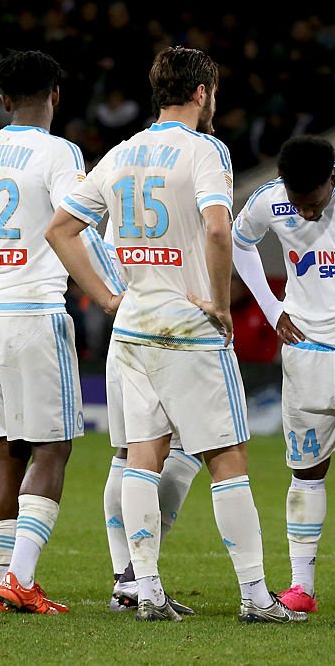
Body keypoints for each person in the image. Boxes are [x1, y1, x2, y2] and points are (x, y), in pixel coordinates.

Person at [46, 46, 304, 623]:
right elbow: (218, 229)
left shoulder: (123, 151)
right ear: (202, 92)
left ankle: (148, 590)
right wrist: (218, 303)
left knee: (142, 455)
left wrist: (107, 298)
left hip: (134, 325)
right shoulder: (205, 149)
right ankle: (256, 597)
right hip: (189, 328)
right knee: (228, 458)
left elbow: (60, 229)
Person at [231, 135, 335, 613]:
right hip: (305, 353)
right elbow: (240, 244)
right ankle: (301, 586)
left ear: (332, 178)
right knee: (305, 473)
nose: (303, 213)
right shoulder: (269, 200)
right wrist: (271, 306)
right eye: (296, 204)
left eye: (313, 202)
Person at [0, 50, 83, 615]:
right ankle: (19, 581)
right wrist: (108, 291)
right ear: (55, 94)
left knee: (4, 452)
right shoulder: (61, 152)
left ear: (3, 100)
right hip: (33, 311)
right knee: (51, 446)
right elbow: (75, 225)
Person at [83, 221, 201, 614]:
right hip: (178, 329)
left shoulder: (121, 177)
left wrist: (109, 297)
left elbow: (74, 232)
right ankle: (136, 577)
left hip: (128, 329)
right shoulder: (191, 171)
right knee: (188, 448)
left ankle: (126, 580)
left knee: (128, 452)